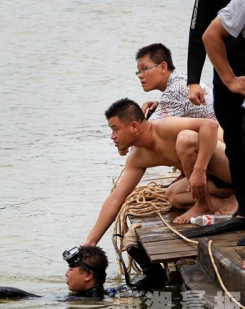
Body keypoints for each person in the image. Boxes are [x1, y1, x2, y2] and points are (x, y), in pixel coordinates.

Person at [82, 98, 233, 286]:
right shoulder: (138, 157)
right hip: (215, 179)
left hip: (234, 167)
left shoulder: (164, 127)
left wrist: (199, 170)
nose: (112, 136)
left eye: (115, 129)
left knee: (186, 138)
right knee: (173, 195)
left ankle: (209, 202)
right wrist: (91, 241)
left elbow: (209, 126)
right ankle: (235, 199)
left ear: (134, 126)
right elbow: (116, 198)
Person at [131, 43, 235, 214]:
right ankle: (224, 199)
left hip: (226, 156)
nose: (140, 76)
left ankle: (236, 193)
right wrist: (158, 106)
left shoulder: (176, 90)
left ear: (163, 66)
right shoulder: (183, 82)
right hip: (219, 152)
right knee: (173, 195)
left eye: (144, 69)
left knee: (182, 139)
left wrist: (127, 142)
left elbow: (144, 132)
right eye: (138, 71)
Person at [187, 0, 245, 248]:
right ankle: (243, 211)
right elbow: (199, 32)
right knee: (233, 144)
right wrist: (193, 80)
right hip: (225, 72)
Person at [0, 246, 112, 300]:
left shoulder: (78, 301)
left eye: (71, 269)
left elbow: (25, 296)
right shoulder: (111, 293)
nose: (66, 274)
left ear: (88, 275)